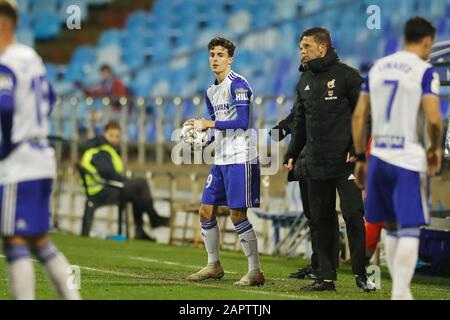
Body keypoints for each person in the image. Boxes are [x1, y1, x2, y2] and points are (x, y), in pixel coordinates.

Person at [352, 16, 442, 300]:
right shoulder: (425, 71)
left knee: (388, 224)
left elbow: (358, 116)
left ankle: (398, 292)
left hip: (378, 156)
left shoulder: (377, 68)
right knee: (409, 224)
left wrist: (360, 157)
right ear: (427, 41)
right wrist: (435, 148)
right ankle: (401, 292)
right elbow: (434, 120)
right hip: (407, 159)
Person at [0, 0, 80, 300]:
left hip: (18, 160)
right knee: (40, 241)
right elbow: (50, 94)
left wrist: (7, 144)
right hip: (41, 155)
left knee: (14, 240)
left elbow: (5, 104)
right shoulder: (30, 56)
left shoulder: (6, 60)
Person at [284, 27, 374, 292]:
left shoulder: (348, 77)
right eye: (300, 47)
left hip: (345, 162)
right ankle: (326, 277)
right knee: (321, 220)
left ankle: (361, 274)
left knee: (354, 215)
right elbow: (300, 124)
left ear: (322, 48)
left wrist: (357, 150)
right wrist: (291, 153)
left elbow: (367, 116)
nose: (301, 51)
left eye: (306, 47)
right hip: (315, 162)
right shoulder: (303, 82)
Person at [184, 37, 264, 286]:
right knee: (206, 211)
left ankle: (254, 271)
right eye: (211, 55)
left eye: (220, 55)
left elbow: (242, 122)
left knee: (237, 215)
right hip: (221, 159)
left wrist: (207, 124)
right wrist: (201, 140)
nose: (215, 59)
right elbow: (218, 129)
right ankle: (213, 265)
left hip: (242, 158)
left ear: (230, 58)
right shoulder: (211, 91)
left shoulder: (238, 85)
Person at [271, 107, 339, 281]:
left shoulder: (323, 100)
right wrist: (282, 129)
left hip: (320, 164)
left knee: (321, 217)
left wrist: (291, 126)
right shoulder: (303, 99)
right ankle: (317, 264)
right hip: (302, 165)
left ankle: (326, 266)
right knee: (312, 217)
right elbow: (285, 126)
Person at [79, 121, 169, 240]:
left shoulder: (100, 147)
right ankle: (154, 219)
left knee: (137, 192)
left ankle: (140, 231)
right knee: (141, 184)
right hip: (100, 191)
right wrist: (124, 181)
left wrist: (124, 181)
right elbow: (107, 173)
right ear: (104, 134)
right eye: (111, 135)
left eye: (117, 136)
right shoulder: (101, 149)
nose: (114, 139)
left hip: (103, 188)